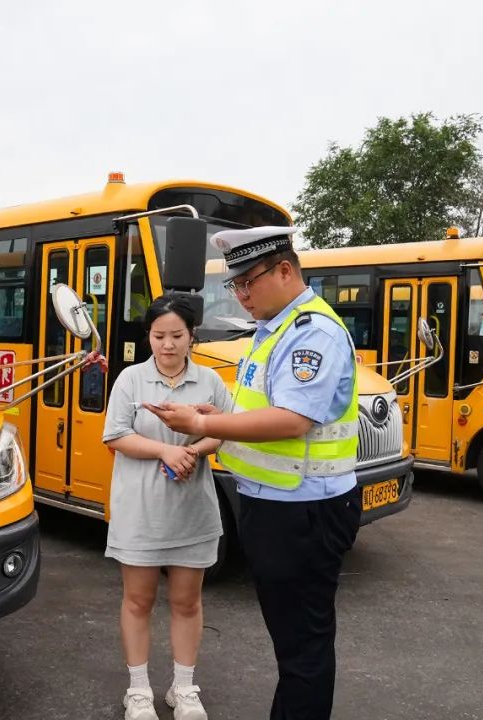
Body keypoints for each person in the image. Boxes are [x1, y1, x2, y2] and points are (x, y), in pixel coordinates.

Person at [145, 227, 362, 720]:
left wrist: (202, 422)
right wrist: (212, 420)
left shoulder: (312, 333)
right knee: (293, 643)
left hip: (303, 511)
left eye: (248, 282)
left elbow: (292, 418)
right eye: (234, 286)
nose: (241, 296)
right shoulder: (274, 330)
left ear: (285, 270)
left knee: (302, 648)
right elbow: (257, 407)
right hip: (276, 505)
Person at [101, 292, 230, 720]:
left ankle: (183, 687)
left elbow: (224, 430)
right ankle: (138, 691)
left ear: (192, 336)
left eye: (177, 335)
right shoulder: (130, 381)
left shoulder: (210, 381)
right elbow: (116, 435)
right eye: (159, 336)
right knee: (138, 600)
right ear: (148, 337)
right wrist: (164, 451)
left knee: (186, 602)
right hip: (140, 511)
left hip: (191, 510)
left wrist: (195, 451)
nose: (168, 345)